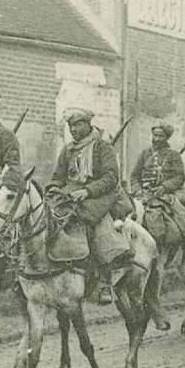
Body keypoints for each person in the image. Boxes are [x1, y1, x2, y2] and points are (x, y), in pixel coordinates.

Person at [50, 108, 134, 307]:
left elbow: (111, 178)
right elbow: (57, 177)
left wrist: (87, 191)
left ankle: (104, 280)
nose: (74, 130)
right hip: (71, 195)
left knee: (91, 224)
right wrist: (53, 190)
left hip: (100, 196)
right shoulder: (68, 150)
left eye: (78, 125)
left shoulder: (102, 147)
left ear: (88, 125)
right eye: (71, 126)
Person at [130, 120, 185, 240]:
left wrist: (164, 187)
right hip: (143, 194)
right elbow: (135, 176)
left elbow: (179, 177)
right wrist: (137, 190)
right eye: (155, 135)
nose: (157, 139)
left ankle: (179, 240)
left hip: (164, 194)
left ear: (166, 138)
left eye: (161, 136)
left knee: (168, 217)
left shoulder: (173, 155)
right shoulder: (145, 154)